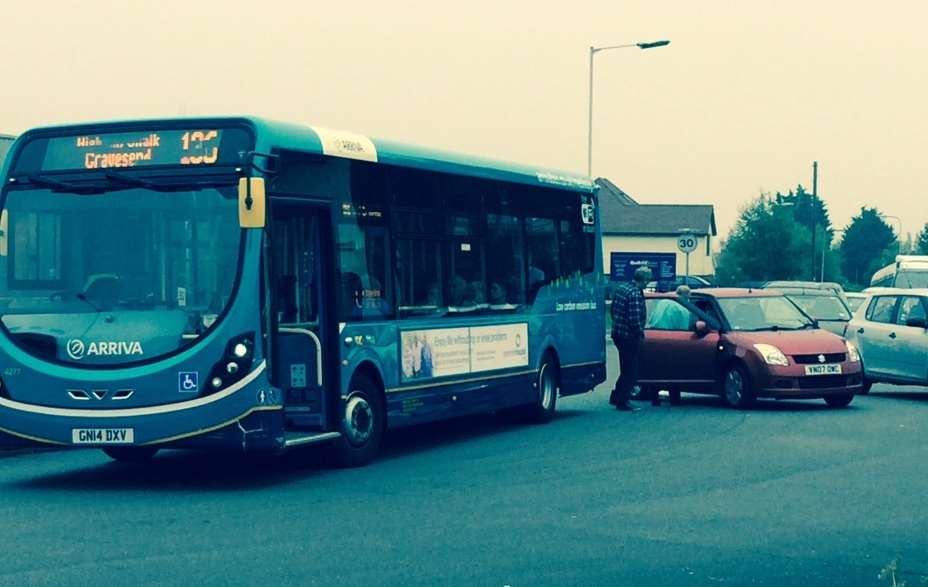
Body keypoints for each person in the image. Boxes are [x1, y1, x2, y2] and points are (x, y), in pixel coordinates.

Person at [609, 266, 651, 411]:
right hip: (629, 336)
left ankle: (615, 396)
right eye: (648, 280)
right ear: (643, 279)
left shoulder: (621, 288)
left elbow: (613, 309)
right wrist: (640, 333)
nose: (648, 283)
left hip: (617, 333)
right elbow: (634, 319)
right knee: (631, 370)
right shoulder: (634, 293)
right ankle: (623, 401)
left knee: (624, 367)